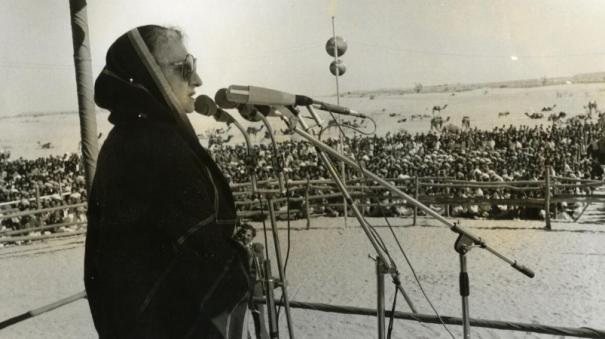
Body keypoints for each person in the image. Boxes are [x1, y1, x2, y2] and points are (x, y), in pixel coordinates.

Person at [84, 25, 250, 338]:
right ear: (147, 74)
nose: (197, 80)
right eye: (184, 68)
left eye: (194, 65)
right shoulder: (152, 147)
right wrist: (239, 259)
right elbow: (202, 257)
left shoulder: (130, 137)